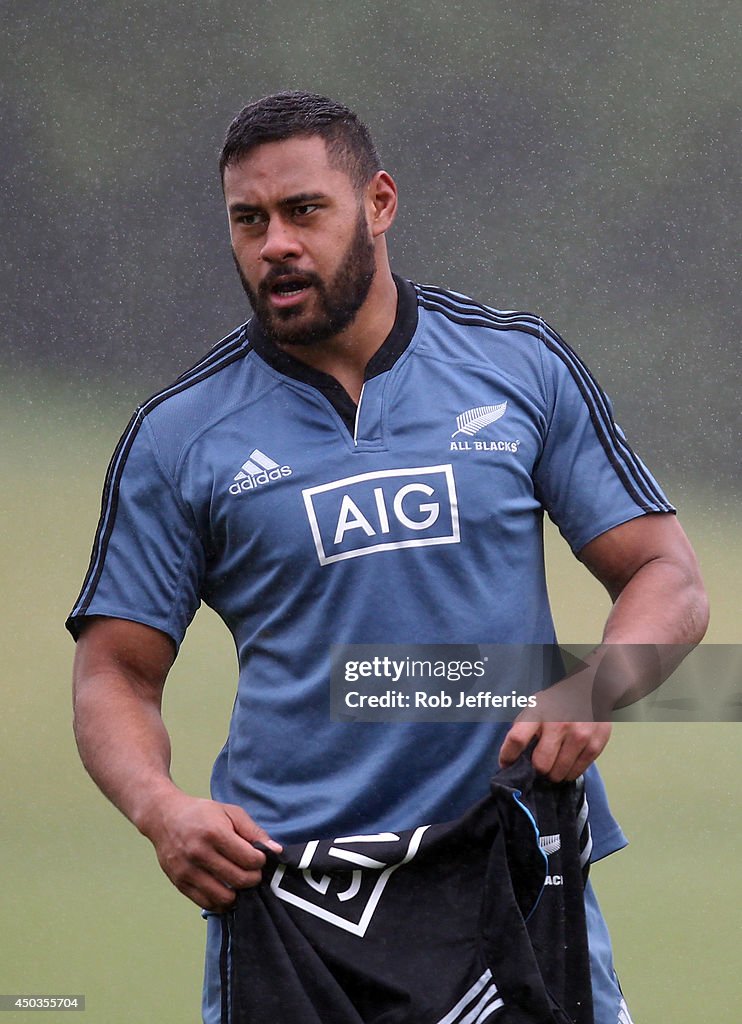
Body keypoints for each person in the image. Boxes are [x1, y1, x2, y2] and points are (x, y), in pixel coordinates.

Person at [68, 92, 708, 1024]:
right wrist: (162, 810)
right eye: (248, 221)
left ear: (378, 203)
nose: (275, 243)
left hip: (510, 866)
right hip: (292, 901)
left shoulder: (515, 367)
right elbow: (114, 674)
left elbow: (668, 576)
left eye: (304, 211)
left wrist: (597, 685)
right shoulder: (179, 438)